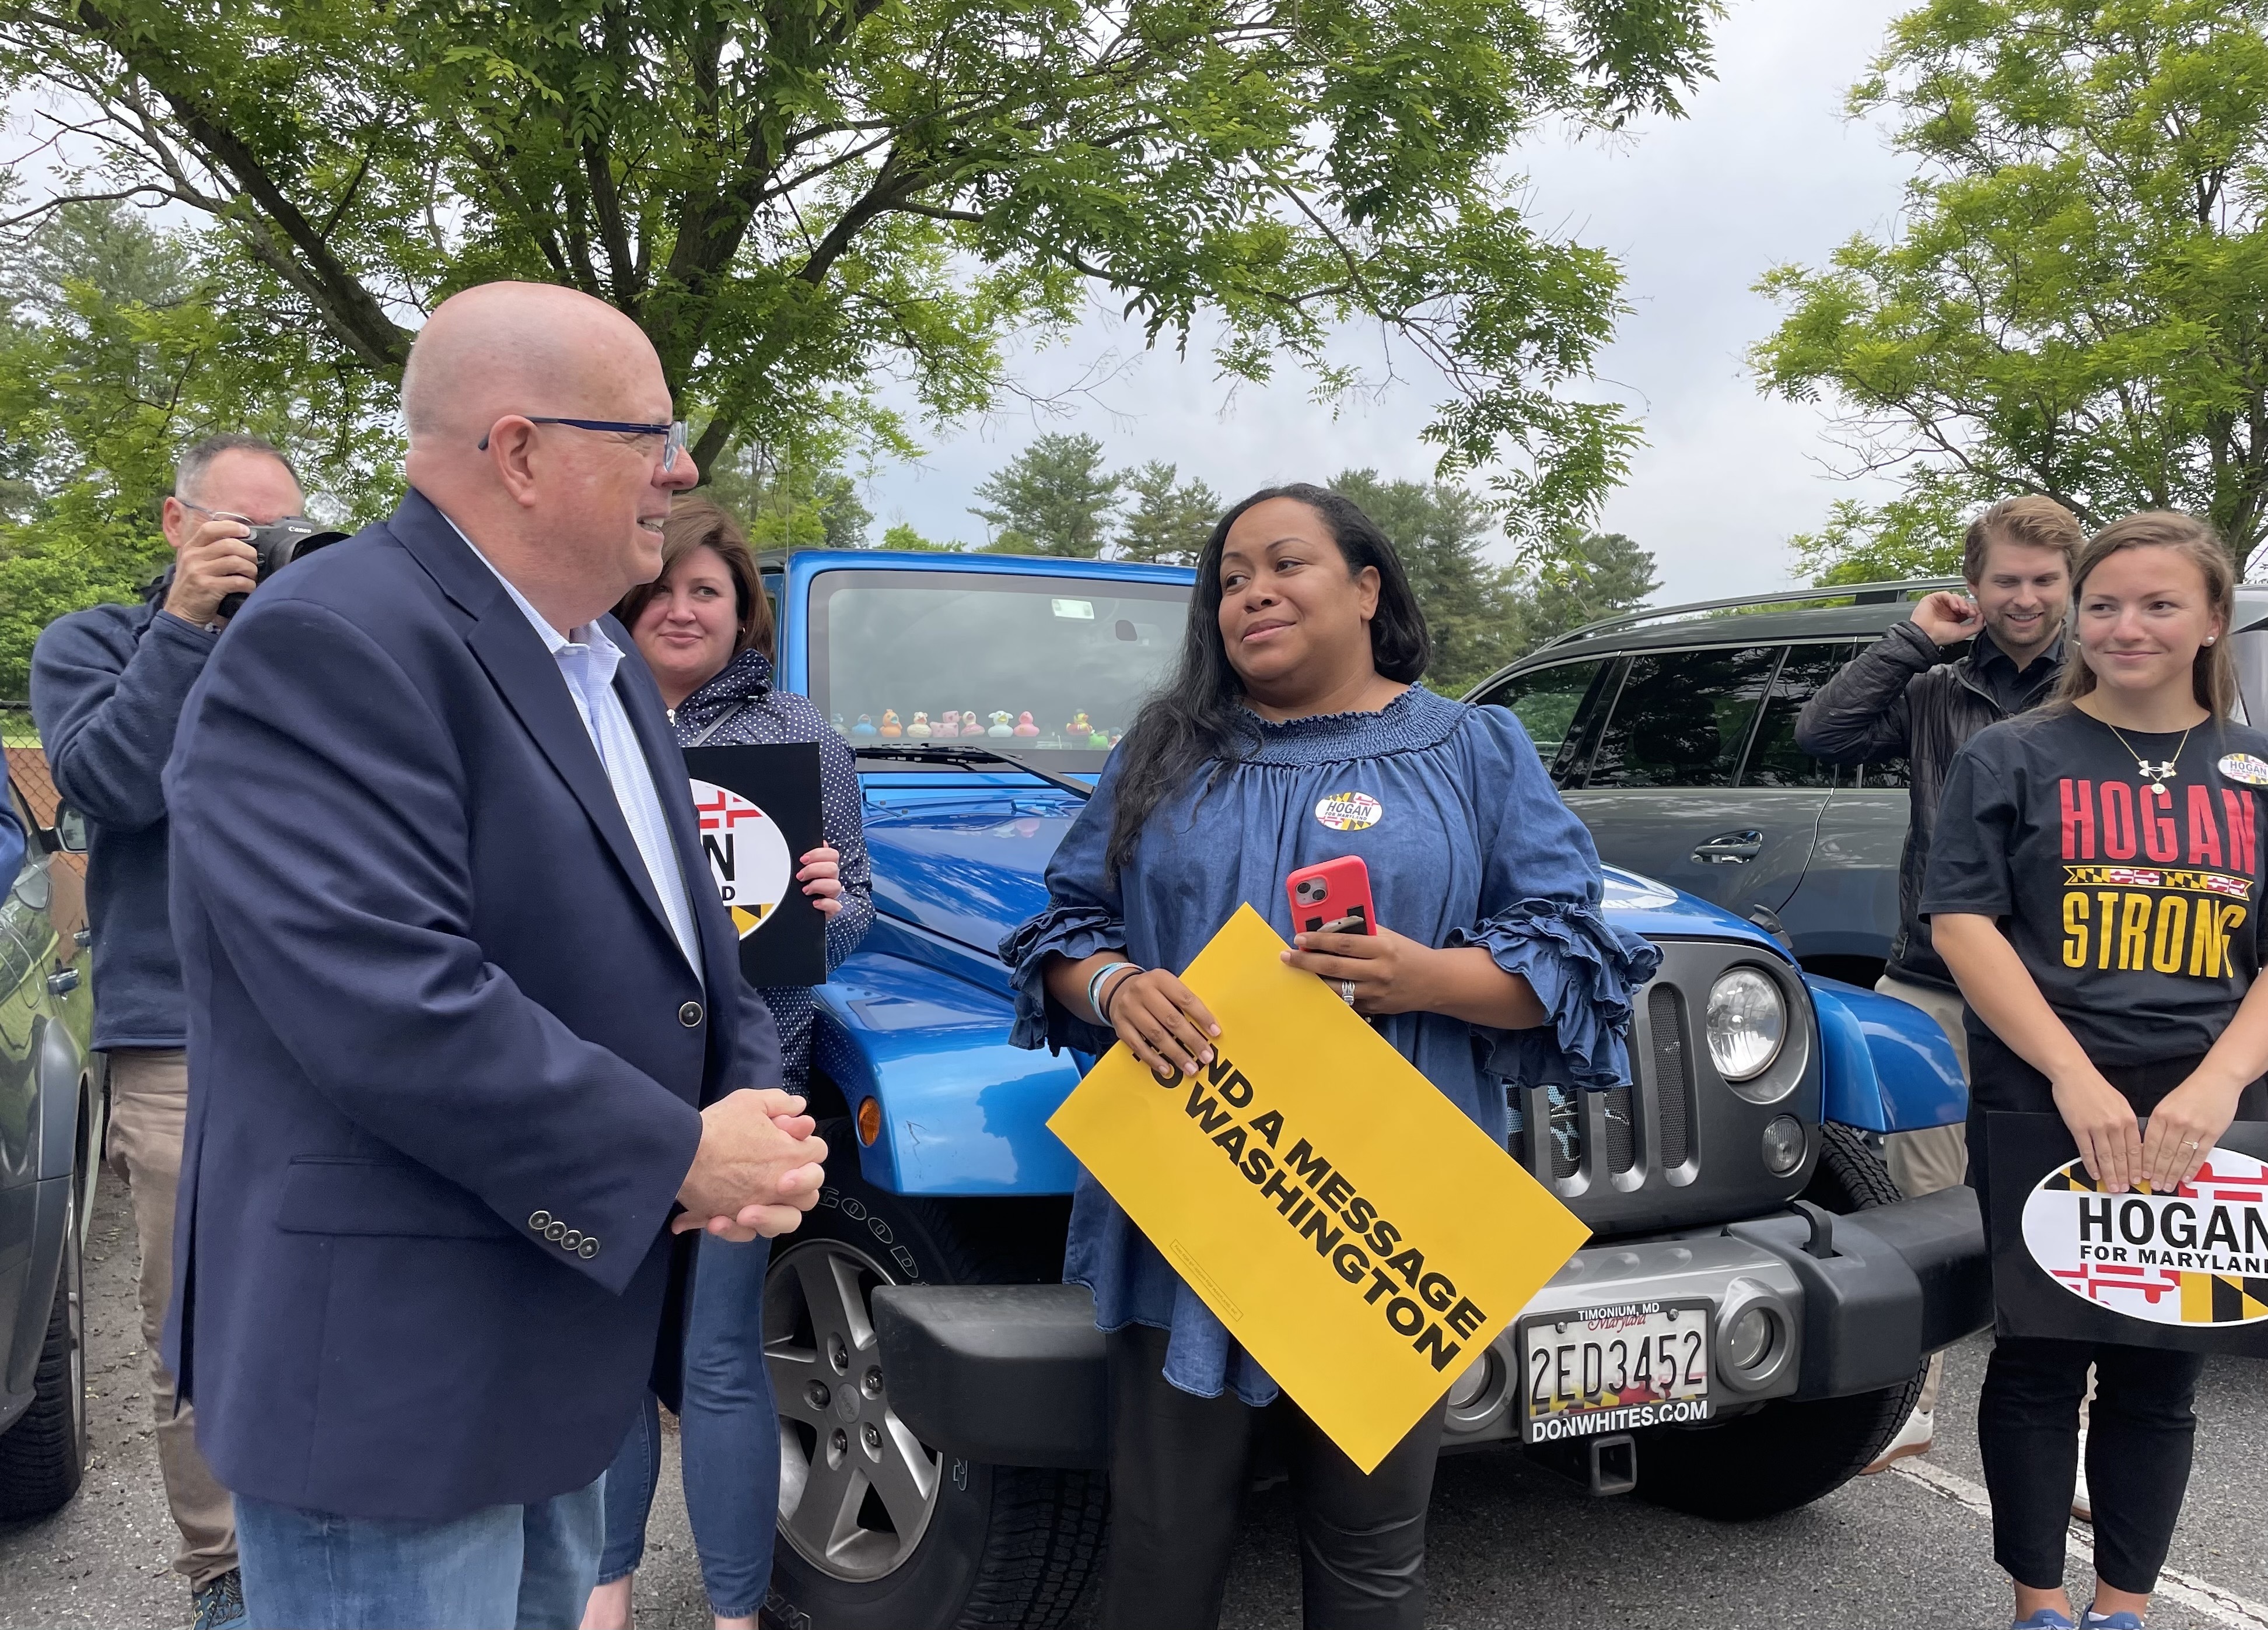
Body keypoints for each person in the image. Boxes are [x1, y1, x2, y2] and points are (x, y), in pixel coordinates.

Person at [160, 282, 829, 1630]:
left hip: (546, 1339)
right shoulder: (330, 638)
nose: (683, 467)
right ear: (520, 452)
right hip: (393, 1374)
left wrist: (745, 1109)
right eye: (649, 432)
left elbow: (683, 943)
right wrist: (678, 1156)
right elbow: (386, 996)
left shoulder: (601, 662)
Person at [1000, 484, 1658, 1630]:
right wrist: (1112, 987)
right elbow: (1064, 932)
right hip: (1190, 1199)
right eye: (1230, 578)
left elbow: (1569, 959)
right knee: (1162, 1538)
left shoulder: (1474, 749)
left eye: (1285, 564)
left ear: (1366, 590)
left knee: (1370, 1557)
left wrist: (1427, 978)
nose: (1251, 592)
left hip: (1376, 1213)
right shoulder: (1164, 751)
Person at [1923, 511, 2268, 1630]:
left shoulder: (2256, 774)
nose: (2127, 626)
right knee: (2039, 1360)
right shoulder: (2012, 752)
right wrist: (2072, 1074)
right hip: (2044, 1095)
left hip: (2207, 1109)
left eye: (2161, 603)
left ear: (2213, 618)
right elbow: (1964, 922)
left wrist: (2217, 1086)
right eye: (2107, 602)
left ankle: (2124, 1608)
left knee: (2163, 1372)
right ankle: (2040, 1603)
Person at [29, 430, 314, 1630]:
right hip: (176, 1031)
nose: (257, 552)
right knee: (194, 1314)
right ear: (175, 524)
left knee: (335, 1289)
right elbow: (112, 784)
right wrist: (187, 630)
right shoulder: (93, 643)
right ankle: (225, 1575)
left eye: (278, 529)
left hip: (327, 1028)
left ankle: (326, 1540)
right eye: (232, 530)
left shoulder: (318, 648)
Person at [583, 499, 874, 1630]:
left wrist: (830, 908)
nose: (680, 608)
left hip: (750, 1083)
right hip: (605, 1086)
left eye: (706, 591)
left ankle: (734, 1614)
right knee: (602, 1352)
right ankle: (602, 1592)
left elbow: (848, 918)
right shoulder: (578, 719)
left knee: (718, 1357)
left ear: (740, 609)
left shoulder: (800, 737)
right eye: (661, 588)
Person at [1795, 493, 2081, 1474]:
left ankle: (2069, 1431)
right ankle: (1914, 1404)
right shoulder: (1934, 689)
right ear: (1976, 586)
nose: (2027, 598)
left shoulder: (2095, 688)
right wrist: (1912, 638)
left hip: (2058, 993)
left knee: (2059, 1198)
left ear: (2071, 585)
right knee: (1926, 1201)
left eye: (2047, 580)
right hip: (1931, 979)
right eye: (2008, 579)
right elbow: (1823, 736)